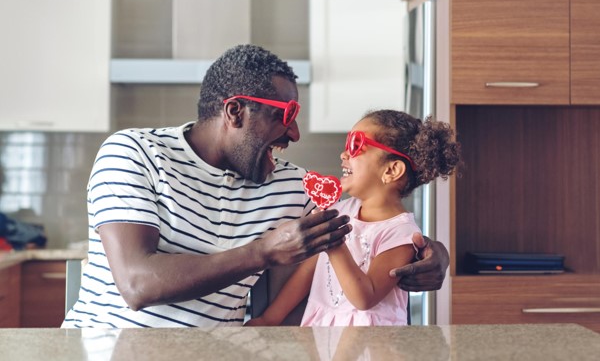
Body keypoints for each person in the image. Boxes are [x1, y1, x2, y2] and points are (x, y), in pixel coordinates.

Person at [62, 45, 449, 328]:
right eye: (287, 116)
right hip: (106, 350)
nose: (295, 133)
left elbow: (375, 221)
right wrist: (262, 252)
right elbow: (137, 284)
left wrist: (433, 254)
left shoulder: (294, 190)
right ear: (235, 112)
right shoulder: (133, 152)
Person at [246, 109, 460, 326]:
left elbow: (365, 298)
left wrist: (334, 243)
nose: (344, 154)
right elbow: (307, 270)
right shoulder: (340, 210)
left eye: (356, 145)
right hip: (321, 329)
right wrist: (270, 318)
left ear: (392, 170)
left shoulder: (401, 233)